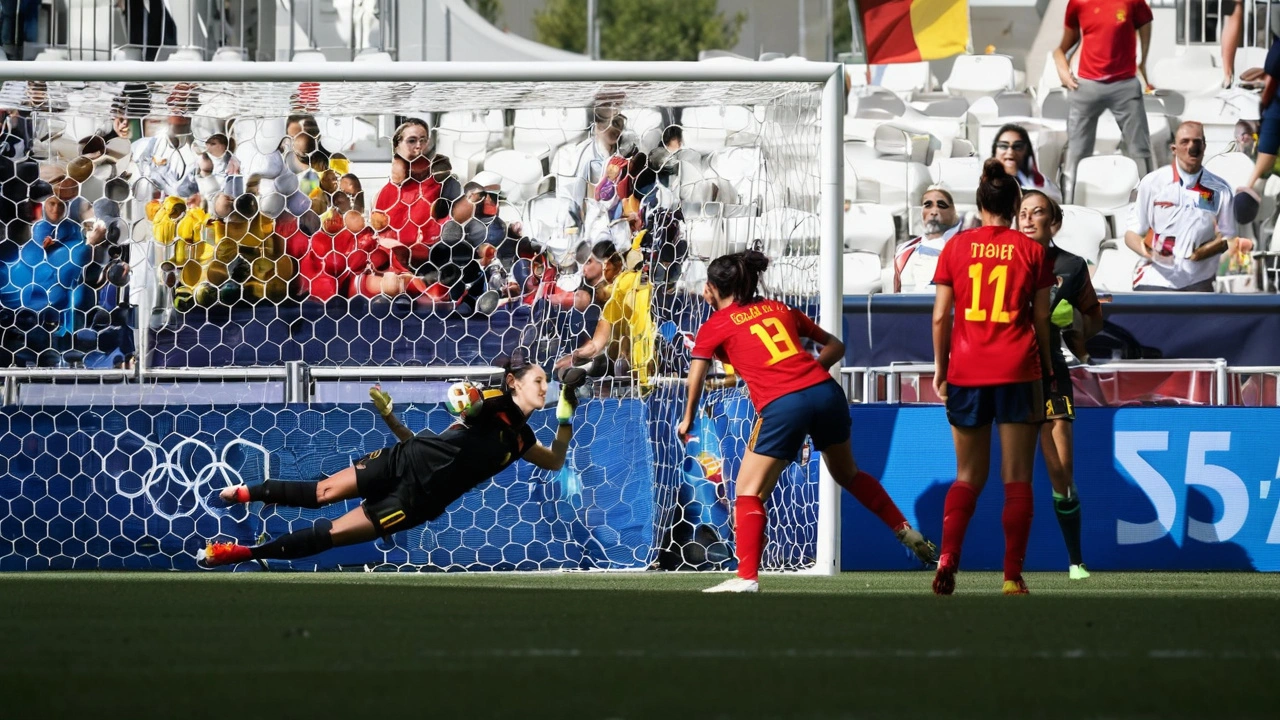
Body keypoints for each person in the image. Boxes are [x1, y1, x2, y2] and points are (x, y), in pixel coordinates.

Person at [677, 250, 937, 594]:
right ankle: (905, 530)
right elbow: (836, 345)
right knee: (848, 474)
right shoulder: (779, 309)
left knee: (747, 491)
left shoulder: (715, 325)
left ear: (710, 289)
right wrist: (810, 373)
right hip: (826, 393)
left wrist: (688, 417)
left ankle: (747, 578)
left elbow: (697, 374)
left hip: (784, 403)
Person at [197, 352, 585, 567]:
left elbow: (553, 461)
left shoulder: (522, 439)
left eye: (546, 383)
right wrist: (461, 398)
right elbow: (466, 402)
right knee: (323, 491)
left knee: (332, 534)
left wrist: (564, 422)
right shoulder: (493, 401)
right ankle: (247, 492)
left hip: (419, 501)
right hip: (405, 459)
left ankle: (243, 553)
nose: (545, 387)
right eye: (538, 381)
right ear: (514, 383)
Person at [930, 159, 1055, 596]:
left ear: (980, 203)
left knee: (967, 476)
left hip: (967, 371)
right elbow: (1041, 319)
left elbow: (941, 315)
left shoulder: (956, 248)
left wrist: (941, 369)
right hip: (1019, 369)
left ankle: (948, 557)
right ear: (1016, 204)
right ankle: (1010, 576)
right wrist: (1049, 370)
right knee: (1017, 478)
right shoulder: (1033, 252)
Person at [1018, 190, 1105, 580]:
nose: (1029, 218)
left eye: (1038, 213)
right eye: (1022, 212)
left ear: (1054, 223)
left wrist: (1075, 326)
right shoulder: (1005, 260)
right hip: (1007, 374)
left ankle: (1075, 561)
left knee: (1062, 472)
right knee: (1003, 470)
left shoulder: (1070, 266)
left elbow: (1093, 321)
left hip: (1051, 373)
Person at [1053, 0, 1155, 203]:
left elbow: (1146, 22)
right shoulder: (1077, 3)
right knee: (1076, 151)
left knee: (1140, 150)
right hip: (1086, 86)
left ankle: (1149, 207)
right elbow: (1061, 49)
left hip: (1124, 84)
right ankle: (1069, 207)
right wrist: (1063, 71)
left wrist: (1143, 61)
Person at [1124, 121, 1234, 292]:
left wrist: (1201, 253)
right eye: (1185, 142)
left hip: (1199, 280)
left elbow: (1227, 238)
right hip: (1155, 280)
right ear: (1174, 149)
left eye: (1197, 142)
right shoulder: (1152, 183)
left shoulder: (1220, 189)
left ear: (1204, 146)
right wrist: (1150, 254)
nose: (1192, 147)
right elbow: (1131, 234)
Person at [894, 187, 962, 293]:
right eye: (928, 205)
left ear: (953, 211)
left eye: (941, 205)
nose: (934, 211)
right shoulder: (904, 252)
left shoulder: (967, 249)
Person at [991, 124, 1062, 202]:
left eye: (1017, 146)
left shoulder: (1043, 187)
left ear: (1026, 151)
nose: (1010, 152)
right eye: (1003, 146)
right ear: (995, 151)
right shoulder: (986, 186)